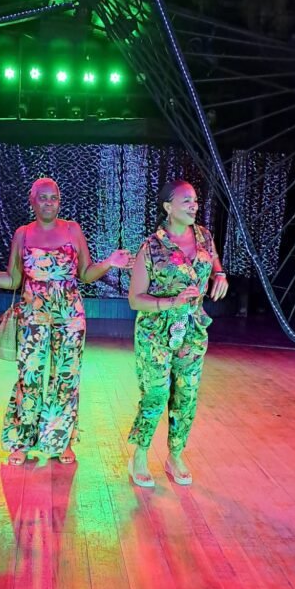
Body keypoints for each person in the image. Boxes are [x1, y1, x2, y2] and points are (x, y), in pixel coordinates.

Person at [0, 177, 132, 465]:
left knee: (66, 377)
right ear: (32, 201)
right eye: (42, 197)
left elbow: (85, 273)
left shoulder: (72, 230)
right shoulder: (22, 233)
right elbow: (12, 279)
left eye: (53, 198)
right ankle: (22, 440)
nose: (48, 203)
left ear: (60, 201)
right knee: (29, 376)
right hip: (33, 314)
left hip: (70, 314)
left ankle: (63, 441)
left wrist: (109, 262)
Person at [127, 178, 228, 488]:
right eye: (186, 201)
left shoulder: (205, 238)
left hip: (193, 330)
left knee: (186, 394)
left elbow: (213, 263)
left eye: (195, 200)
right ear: (168, 207)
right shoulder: (152, 246)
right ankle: (140, 454)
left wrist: (220, 275)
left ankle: (175, 454)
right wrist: (171, 301)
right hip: (156, 331)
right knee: (156, 393)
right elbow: (135, 299)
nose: (193, 205)